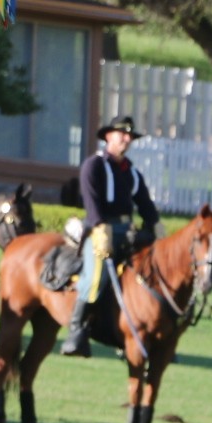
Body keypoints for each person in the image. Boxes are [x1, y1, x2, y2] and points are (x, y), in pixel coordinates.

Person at [63, 115, 159, 357]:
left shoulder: (132, 173)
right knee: (96, 276)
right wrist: (101, 227)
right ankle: (76, 331)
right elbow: (92, 202)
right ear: (108, 136)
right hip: (101, 228)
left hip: (127, 231)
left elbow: (145, 204)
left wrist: (156, 226)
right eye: (121, 134)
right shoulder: (93, 165)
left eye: (130, 136)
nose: (126, 139)